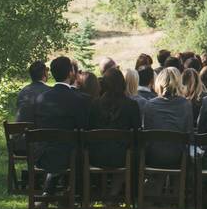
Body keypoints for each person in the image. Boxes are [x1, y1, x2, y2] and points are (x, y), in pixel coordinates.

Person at [32, 57, 90, 190]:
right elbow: (83, 127)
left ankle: (52, 190)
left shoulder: (41, 98)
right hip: (69, 157)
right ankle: (75, 190)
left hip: (43, 155)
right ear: (71, 73)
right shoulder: (78, 99)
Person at [86, 68, 141, 170]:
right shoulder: (131, 105)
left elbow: (89, 129)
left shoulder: (94, 104)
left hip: (96, 156)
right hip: (123, 157)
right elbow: (137, 133)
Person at [141, 67, 193, 168]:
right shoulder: (186, 105)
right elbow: (189, 133)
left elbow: (146, 133)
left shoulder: (149, 105)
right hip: (178, 157)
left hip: (153, 156)